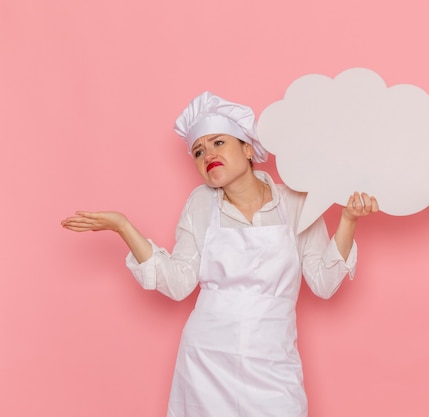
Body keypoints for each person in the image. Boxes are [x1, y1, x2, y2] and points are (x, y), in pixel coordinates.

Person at [61, 91, 378, 417]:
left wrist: (349, 220)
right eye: (198, 151)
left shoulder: (296, 202)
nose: (207, 155)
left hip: (273, 361)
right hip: (206, 360)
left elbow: (324, 284)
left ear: (247, 147)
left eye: (218, 143)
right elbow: (178, 283)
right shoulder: (200, 203)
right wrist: (123, 226)